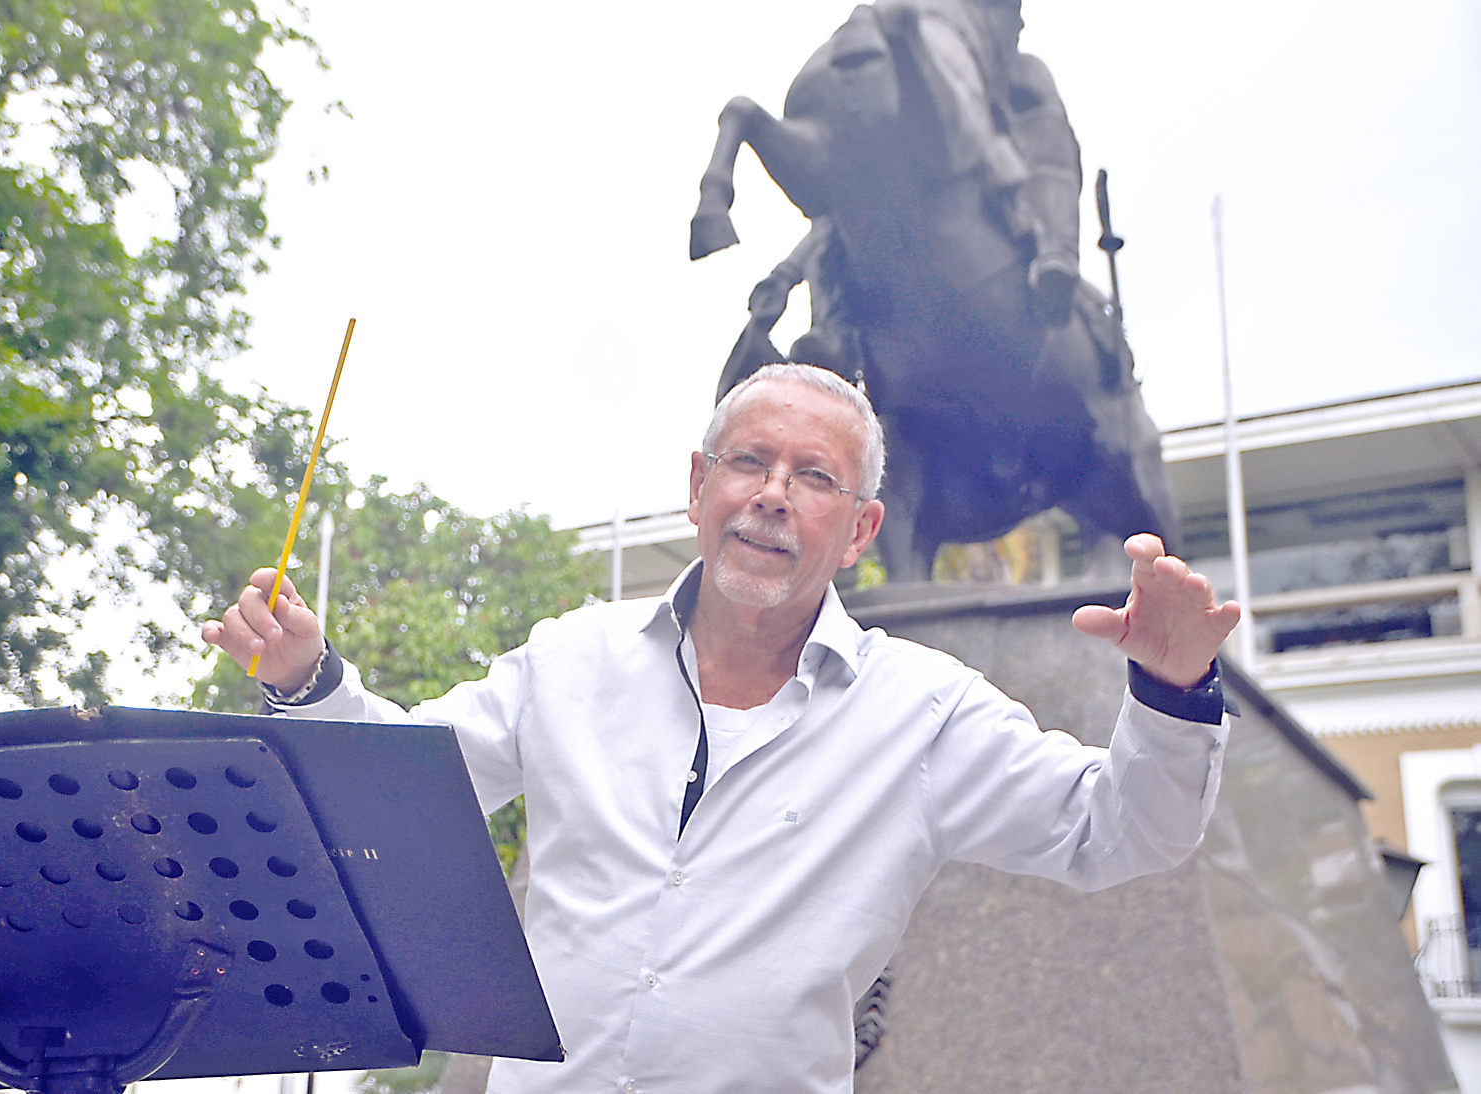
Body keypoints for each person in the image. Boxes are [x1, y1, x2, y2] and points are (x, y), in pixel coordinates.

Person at [203, 363, 1240, 1094]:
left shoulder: (923, 711)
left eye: (816, 477)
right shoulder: (569, 657)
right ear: (698, 486)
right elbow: (403, 788)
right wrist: (306, 679)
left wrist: (1172, 684)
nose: (774, 497)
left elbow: (1119, 829)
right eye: (749, 461)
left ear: (859, 531)